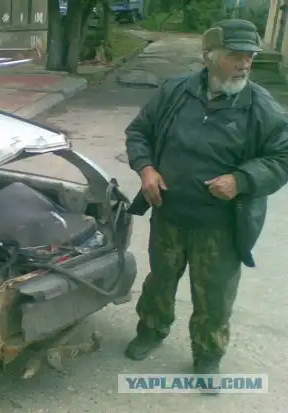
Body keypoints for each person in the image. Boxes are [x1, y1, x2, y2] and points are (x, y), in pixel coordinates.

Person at [123, 18, 288, 378]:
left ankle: (208, 354)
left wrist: (241, 180)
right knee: (160, 280)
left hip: (221, 224)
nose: (245, 64)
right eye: (235, 56)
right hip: (169, 212)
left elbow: (282, 157)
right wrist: (146, 169)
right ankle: (151, 329)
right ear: (209, 56)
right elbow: (139, 132)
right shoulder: (176, 91)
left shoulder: (262, 107)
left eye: (250, 56)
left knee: (214, 294)